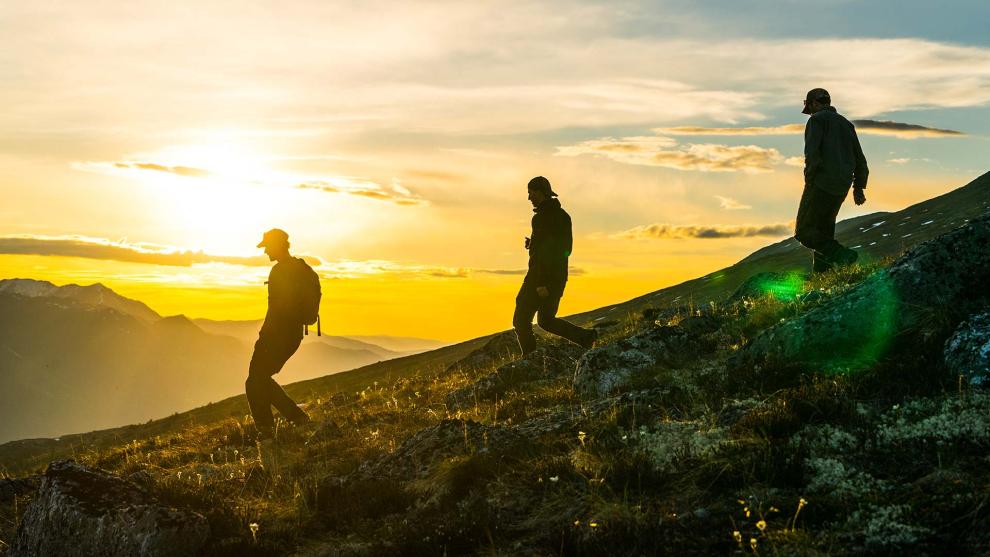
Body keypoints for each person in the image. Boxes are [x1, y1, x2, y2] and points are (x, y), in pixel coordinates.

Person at [512, 176, 597, 355]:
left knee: (521, 320)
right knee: (546, 320)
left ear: (541, 192)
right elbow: (562, 248)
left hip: (540, 278)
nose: (529, 197)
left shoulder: (543, 218)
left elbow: (553, 251)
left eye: (531, 193)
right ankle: (586, 338)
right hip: (556, 277)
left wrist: (543, 282)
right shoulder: (561, 216)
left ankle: (529, 360)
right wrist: (533, 243)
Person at [246, 228, 312, 438]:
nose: (265, 252)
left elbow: (275, 309)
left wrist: (264, 337)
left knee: (255, 380)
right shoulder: (300, 269)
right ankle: (297, 418)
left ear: (277, 245)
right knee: (261, 379)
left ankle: (266, 430)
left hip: (276, 336)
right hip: (293, 336)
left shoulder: (279, 272)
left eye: (267, 247)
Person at [797, 88, 869, 272]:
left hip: (821, 183)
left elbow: (812, 154)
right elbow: (860, 158)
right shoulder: (846, 124)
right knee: (823, 230)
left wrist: (810, 180)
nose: (810, 112)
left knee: (804, 232)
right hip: (841, 186)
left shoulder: (817, 120)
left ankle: (842, 255)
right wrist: (858, 187)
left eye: (810, 107)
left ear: (813, 103)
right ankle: (822, 275)